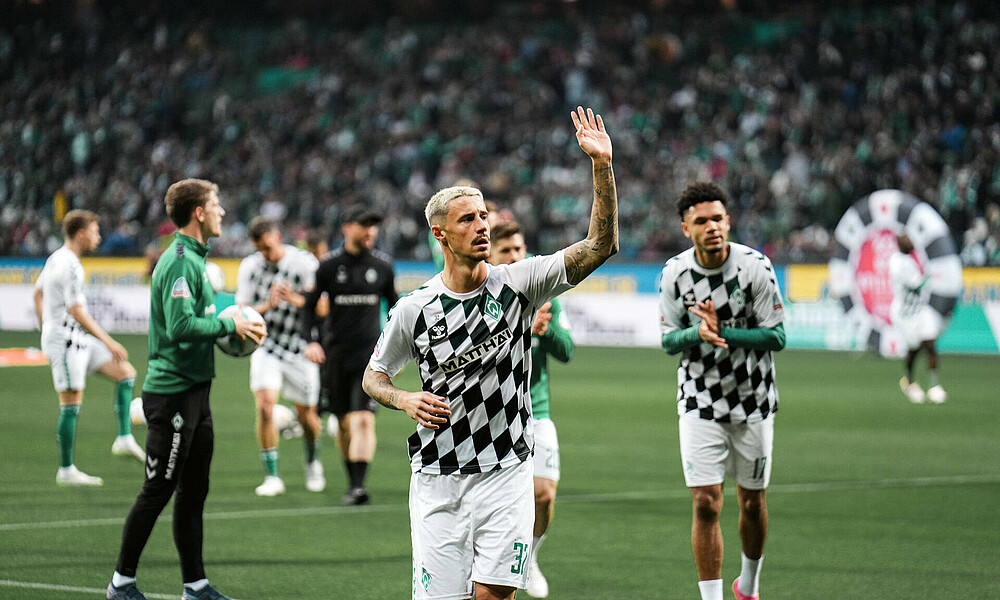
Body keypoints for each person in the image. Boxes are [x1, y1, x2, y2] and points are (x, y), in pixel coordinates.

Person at [362, 106, 616, 600]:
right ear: (440, 234)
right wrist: (405, 400)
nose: (482, 226)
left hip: (507, 470)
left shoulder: (519, 284)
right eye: (468, 220)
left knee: (493, 597)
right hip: (438, 477)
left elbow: (601, 245)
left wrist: (601, 166)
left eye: (484, 216)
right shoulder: (415, 310)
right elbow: (375, 378)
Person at [107, 179, 266, 600]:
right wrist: (230, 325)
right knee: (158, 487)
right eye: (216, 204)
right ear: (198, 212)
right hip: (172, 394)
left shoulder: (195, 259)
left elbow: (202, 316)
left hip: (196, 392)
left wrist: (234, 320)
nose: (222, 212)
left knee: (193, 492)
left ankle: (195, 587)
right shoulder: (180, 260)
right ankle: (120, 583)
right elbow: (180, 327)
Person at [658, 181, 785, 600]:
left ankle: (748, 585)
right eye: (701, 221)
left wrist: (725, 332)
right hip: (699, 399)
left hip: (753, 400)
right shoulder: (675, 274)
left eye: (718, 218)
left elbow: (777, 336)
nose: (712, 226)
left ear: (728, 221)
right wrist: (698, 331)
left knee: (751, 502)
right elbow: (668, 340)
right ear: (685, 228)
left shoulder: (755, 268)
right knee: (706, 503)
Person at [489, 220, 574, 599]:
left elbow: (567, 352)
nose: (515, 256)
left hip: (535, 411)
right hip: (491, 417)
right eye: (506, 251)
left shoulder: (546, 296)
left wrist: (544, 331)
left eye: (519, 249)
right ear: (489, 256)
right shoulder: (482, 298)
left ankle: (531, 558)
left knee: (544, 494)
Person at [36, 209, 144, 486]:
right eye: (95, 232)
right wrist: (109, 340)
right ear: (81, 234)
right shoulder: (70, 265)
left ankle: (123, 438)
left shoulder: (56, 258)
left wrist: (45, 325)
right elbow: (76, 310)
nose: (99, 237)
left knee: (125, 373)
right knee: (71, 403)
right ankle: (66, 470)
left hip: (74, 338)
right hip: (66, 340)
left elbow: (37, 293)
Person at [303, 204, 398, 505]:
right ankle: (351, 480)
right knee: (343, 423)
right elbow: (309, 306)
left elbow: (396, 311)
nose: (370, 231)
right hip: (335, 356)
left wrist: (396, 351)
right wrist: (311, 341)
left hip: (370, 359)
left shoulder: (383, 267)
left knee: (363, 420)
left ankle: (358, 486)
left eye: (373, 225)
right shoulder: (329, 266)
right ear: (347, 228)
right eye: (364, 225)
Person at [236, 217, 325, 497]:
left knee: (307, 416)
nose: (266, 254)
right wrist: (268, 304)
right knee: (265, 407)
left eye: (268, 247)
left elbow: (322, 308)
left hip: (300, 347)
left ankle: (311, 461)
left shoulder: (305, 263)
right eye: (260, 249)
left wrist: (294, 299)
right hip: (266, 346)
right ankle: (272, 476)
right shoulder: (250, 267)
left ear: (278, 237)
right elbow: (243, 313)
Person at [889, 234, 947, 404]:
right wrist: (931, 275)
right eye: (907, 240)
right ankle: (909, 381)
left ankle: (935, 386)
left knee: (930, 344)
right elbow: (915, 284)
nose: (911, 242)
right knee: (914, 349)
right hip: (905, 314)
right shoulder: (897, 261)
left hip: (921, 310)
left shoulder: (913, 259)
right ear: (900, 244)